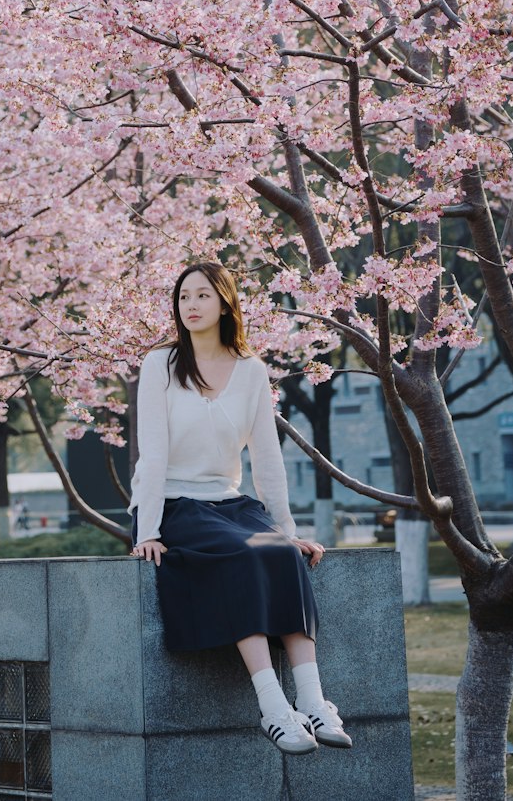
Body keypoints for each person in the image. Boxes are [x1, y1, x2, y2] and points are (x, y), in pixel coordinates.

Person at [129, 260, 352, 755]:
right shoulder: (159, 364)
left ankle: (314, 701)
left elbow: (267, 457)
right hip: (173, 503)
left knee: (281, 554)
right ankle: (274, 707)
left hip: (229, 502)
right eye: (184, 296)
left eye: (203, 295)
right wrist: (147, 530)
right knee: (242, 555)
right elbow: (154, 452)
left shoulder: (251, 370)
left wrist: (287, 530)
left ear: (225, 302)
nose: (191, 305)